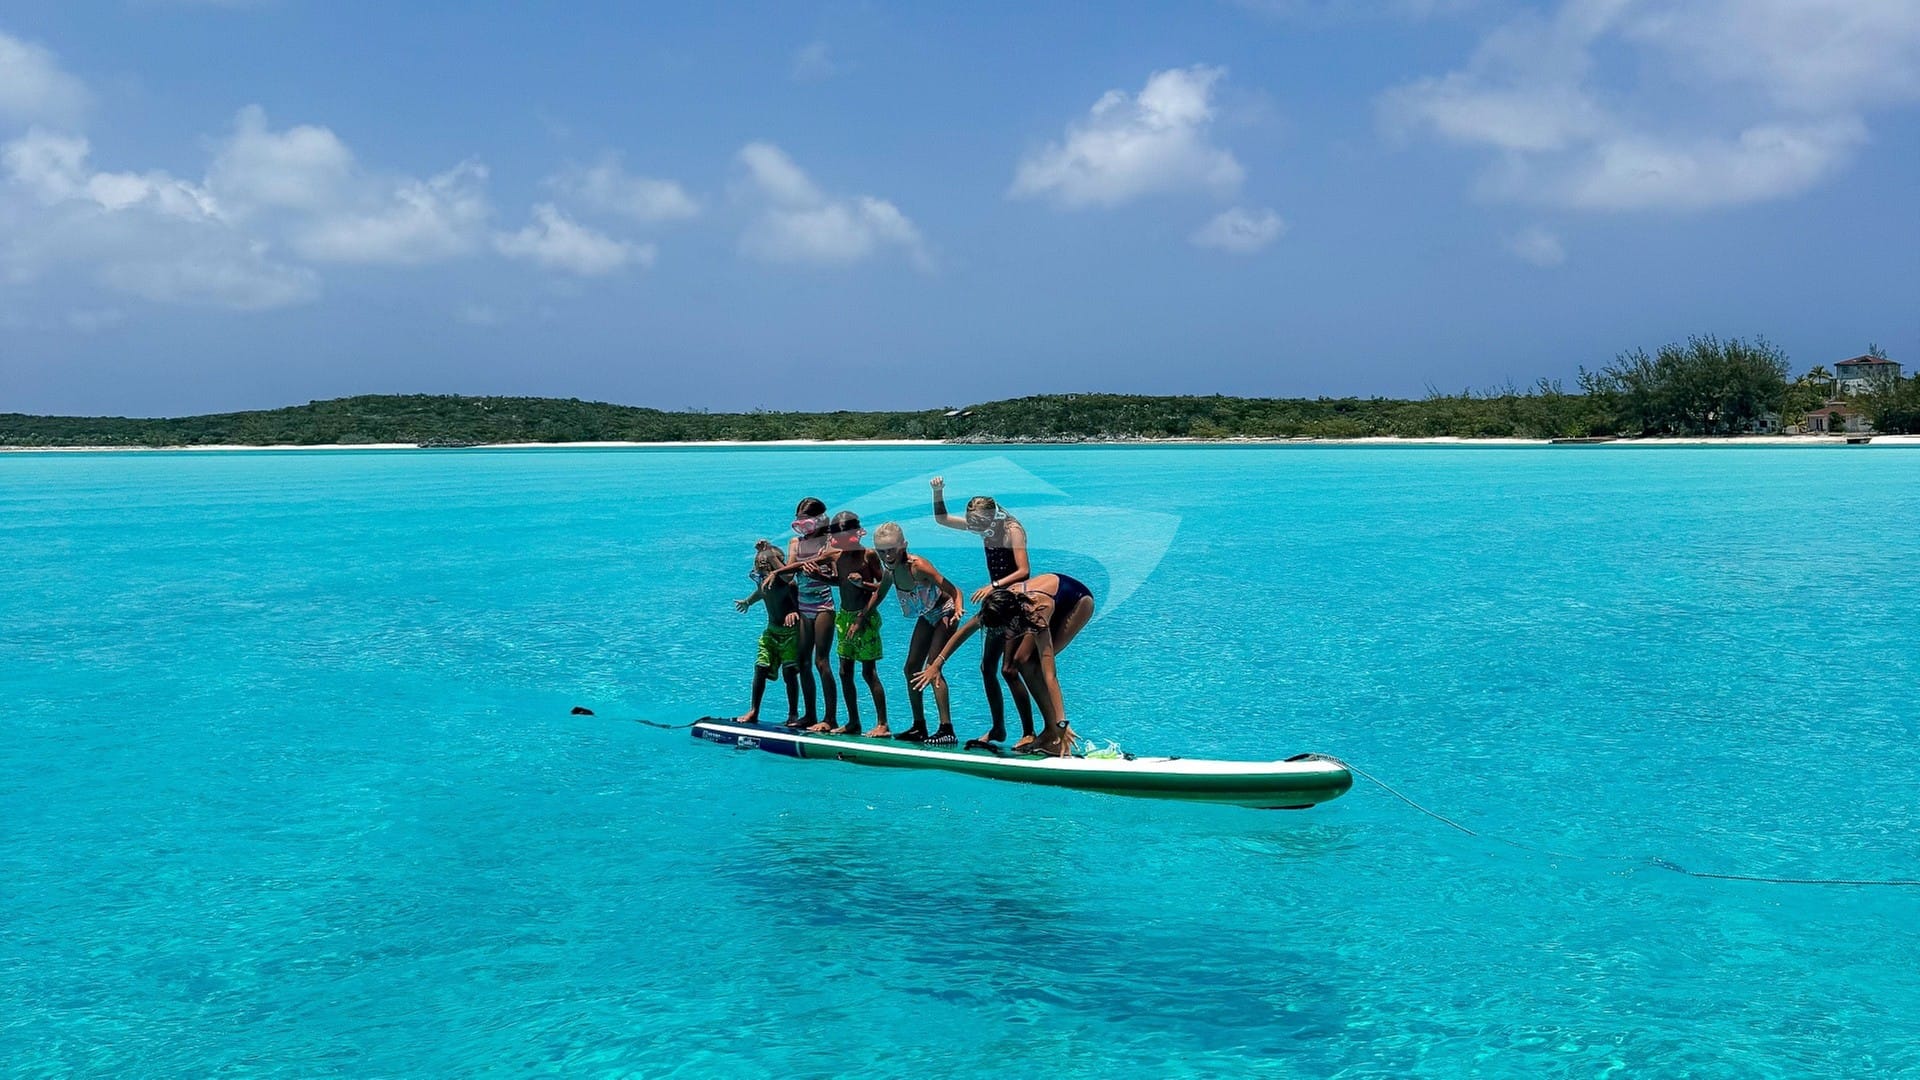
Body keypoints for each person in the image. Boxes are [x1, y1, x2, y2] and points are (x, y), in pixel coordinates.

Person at [914, 573, 1095, 756]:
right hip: (1047, 597)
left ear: (1012, 620)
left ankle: (1054, 733)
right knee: (1021, 661)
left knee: (1031, 663)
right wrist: (937, 664)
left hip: (1078, 602)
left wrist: (1062, 722)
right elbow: (964, 632)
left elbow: (1050, 675)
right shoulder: (998, 603)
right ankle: (1050, 732)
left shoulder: (1037, 613)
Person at [930, 477, 1036, 747]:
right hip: (997, 600)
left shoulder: (1012, 529)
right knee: (987, 668)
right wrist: (938, 492)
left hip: (1014, 602)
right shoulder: (983, 525)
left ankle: (1029, 732)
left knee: (1009, 669)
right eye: (973, 525)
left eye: (979, 524)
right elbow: (942, 519)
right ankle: (998, 728)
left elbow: (1024, 571)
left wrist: (993, 586)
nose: (976, 530)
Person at [867, 522, 963, 745]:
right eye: (881, 551)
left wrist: (958, 608)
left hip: (945, 612)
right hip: (927, 615)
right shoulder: (890, 571)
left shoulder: (918, 566)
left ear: (904, 546)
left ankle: (946, 729)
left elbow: (952, 589)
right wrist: (861, 618)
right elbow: (880, 594)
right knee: (910, 668)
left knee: (933, 667)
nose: (887, 555)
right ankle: (919, 726)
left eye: (891, 550)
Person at [821, 511, 888, 737]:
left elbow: (881, 587)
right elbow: (840, 582)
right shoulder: (838, 557)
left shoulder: (868, 555)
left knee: (868, 672)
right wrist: (820, 578)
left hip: (865, 618)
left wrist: (863, 585)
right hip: (844, 617)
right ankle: (853, 722)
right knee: (844, 672)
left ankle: (882, 724)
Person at [783, 498, 838, 731]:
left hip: (823, 604)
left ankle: (830, 718)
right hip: (803, 606)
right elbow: (788, 575)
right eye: (800, 520)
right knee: (802, 662)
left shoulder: (829, 543)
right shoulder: (795, 542)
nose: (803, 525)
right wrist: (770, 559)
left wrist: (819, 575)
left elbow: (838, 579)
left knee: (821, 661)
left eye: (807, 520)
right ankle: (810, 714)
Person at [734, 540, 801, 725]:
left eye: (764, 570)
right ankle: (754, 710)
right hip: (771, 633)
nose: (761, 576)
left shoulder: (788, 584)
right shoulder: (764, 583)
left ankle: (793, 713)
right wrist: (747, 602)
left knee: (789, 673)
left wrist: (795, 612)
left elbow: (800, 606)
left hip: (790, 634)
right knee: (760, 668)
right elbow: (760, 594)